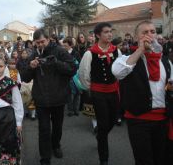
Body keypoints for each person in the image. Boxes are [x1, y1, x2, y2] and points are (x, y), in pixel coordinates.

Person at [112, 20, 172, 165]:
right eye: (145, 32)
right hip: (138, 119)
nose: (150, 35)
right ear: (136, 37)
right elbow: (117, 72)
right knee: (144, 160)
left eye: (152, 32)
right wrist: (140, 50)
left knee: (161, 158)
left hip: (162, 119)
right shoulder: (126, 59)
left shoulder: (165, 61)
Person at [20, 28, 75, 165]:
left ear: (48, 39)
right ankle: (45, 157)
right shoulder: (33, 55)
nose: (40, 45)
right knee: (44, 129)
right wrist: (30, 67)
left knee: (57, 126)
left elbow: (72, 69)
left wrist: (56, 62)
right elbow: (25, 78)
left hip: (59, 96)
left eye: (42, 41)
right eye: (37, 42)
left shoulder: (60, 51)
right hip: (41, 98)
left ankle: (56, 145)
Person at [79, 22, 120, 165]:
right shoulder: (90, 53)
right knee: (103, 124)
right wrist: (91, 88)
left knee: (113, 120)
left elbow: (120, 71)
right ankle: (104, 158)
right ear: (97, 35)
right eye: (106, 32)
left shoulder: (116, 51)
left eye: (110, 31)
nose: (110, 34)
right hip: (98, 93)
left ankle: (100, 136)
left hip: (114, 91)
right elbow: (83, 74)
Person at [63, 37, 80, 116]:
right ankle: (70, 110)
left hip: (75, 76)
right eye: (63, 45)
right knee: (69, 94)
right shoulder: (63, 53)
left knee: (77, 93)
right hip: (67, 76)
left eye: (65, 46)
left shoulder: (75, 53)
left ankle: (76, 109)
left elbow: (79, 63)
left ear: (70, 45)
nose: (64, 47)